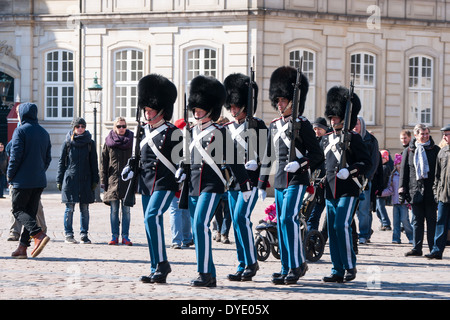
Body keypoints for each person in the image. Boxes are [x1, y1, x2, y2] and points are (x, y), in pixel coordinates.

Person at [177, 75, 252, 287]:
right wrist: (181, 171)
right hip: (193, 185)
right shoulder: (191, 131)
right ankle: (209, 273)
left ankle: (204, 273)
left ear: (210, 109)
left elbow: (235, 160)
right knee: (196, 227)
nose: (196, 113)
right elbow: (186, 157)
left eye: (200, 110)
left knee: (201, 224)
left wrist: (245, 184)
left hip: (212, 184)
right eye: (195, 110)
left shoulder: (219, 132)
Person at [258, 66, 324, 285]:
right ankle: (287, 266)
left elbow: (317, 154)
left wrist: (300, 164)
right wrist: (261, 182)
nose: (279, 104)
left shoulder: (303, 124)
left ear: (293, 101)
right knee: (282, 223)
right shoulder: (274, 125)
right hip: (279, 180)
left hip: (297, 179)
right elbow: (268, 154)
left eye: (283, 100)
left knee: (289, 219)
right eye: (277, 101)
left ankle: (296, 264)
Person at [122, 74, 180, 284]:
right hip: (146, 182)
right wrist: (130, 167)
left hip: (164, 182)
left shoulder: (173, 132)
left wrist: (182, 171)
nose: (146, 113)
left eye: (150, 110)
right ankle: (155, 265)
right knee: (150, 224)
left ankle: (163, 264)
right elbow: (139, 156)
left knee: (151, 217)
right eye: (145, 109)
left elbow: (183, 157)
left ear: (161, 110)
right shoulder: (142, 130)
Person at [320, 86, 371, 283]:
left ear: (343, 118)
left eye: (336, 118)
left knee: (341, 225)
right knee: (332, 230)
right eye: (331, 118)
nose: (333, 121)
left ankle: (350, 265)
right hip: (330, 189)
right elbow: (321, 163)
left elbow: (366, 163)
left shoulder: (354, 138)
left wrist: (349, 171)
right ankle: (337, 269)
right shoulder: (325, 140)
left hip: (348, 189)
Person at [222, 73, 267, 282]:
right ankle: (242, 263)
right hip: (233, 181)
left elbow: (269, 155)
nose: (232, 110)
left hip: (250, 182)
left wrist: (259, 177)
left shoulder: (258, 125)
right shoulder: (227, 128)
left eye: (235, 106)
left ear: (245, 105)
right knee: (236, 222)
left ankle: (251, 262)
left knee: (241, 217)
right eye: (230, 106)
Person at [9, 102, 52, 259]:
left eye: (19, 113)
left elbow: (15, 157)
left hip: (22, 180)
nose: (18, 116)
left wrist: (10, 175)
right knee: (30, 213)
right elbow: (48, 158)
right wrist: (40, 171)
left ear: (24, 114)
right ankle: (22, 248)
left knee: (18, 210)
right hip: (39, 180)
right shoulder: (44, 133)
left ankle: (38, 235)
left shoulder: (20, 131)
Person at [399, 123, 440, 257]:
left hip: (430, 191)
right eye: (422, 134)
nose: (425, 136)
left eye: (427, 133)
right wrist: (402, 191)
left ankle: (433, 248)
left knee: (431, 220)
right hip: (415, 191)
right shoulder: (409, 151)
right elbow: (404, 173)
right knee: (416, 221)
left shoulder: (435, 149)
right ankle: (417, 248)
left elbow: (438, 173)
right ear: (416, 136)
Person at [57, 117, 99, 244]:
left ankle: (84, 234)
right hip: (71, 179)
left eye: (82, 126)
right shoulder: (67, 143)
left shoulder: (90, 143)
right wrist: (59, 179)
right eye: (78, 126)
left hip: (86, 179)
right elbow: (61, 162)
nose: (80, 129)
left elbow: (94, 163)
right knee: (69, 208)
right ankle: (68, 234)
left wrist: (95, 180)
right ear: (73, 128)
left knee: (84, 209)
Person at [101, 117, 134, 245]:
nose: (122, 129)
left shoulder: (131, 140)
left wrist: (135, 180)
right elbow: (103, 162)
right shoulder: (109, 142)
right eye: (119, 126)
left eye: (124, 126)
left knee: (126, 210)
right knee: (114, 210)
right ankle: (114, 236)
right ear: (115, 127)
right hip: (113, 180)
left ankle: (125, 236)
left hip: (127, 181)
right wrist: (103, 181)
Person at [354, 116, 380, 244]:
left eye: (357, 124)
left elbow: (374, 162)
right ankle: (359, 232)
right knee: (354, 209)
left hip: (364, 180)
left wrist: (367, 178)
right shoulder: (350, 138)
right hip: (351, 179)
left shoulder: (371, 140)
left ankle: (364, 234)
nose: (355, 126)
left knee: (364, 209)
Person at [168, 119, 193, 250]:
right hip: (177, 179)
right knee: (180, 210)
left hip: (184, 180)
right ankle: (182, 238)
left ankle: (182, 238)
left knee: (181, 210)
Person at [426, 124, 450, 259]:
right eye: (444, 134)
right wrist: (436, 192)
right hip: (443, 195)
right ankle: (436, 250)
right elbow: (437, 175)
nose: (444, 137)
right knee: (440, 223)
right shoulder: (442, 152)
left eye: (447, 134)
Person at [308, 117, 329, 233]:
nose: (317, 131)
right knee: (312, 215)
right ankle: (310, 238)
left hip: (326, 182)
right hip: (314, 183)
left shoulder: (328, 141)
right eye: (315, 128)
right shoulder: (312, 141)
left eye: (320, 128)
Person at [390, 153, 413, 244]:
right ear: (395, 165)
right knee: (395, 222)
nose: (399, 166)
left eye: (401, 164)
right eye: (398, 164)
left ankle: (411, 236)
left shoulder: (407, 175)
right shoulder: (392, 176)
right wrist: (381, 193)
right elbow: (390, 189)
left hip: (404, 202)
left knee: (405, 220)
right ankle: (396, 238)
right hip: (395, 202)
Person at [375, 149, 393, 231]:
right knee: (378, 208)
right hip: (379, 191)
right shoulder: (382, 167)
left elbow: (383, 181)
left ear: (386, 159)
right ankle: (383, 222)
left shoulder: (385, 167)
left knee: (381, 208)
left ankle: (386, 223)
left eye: (382, 158)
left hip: (381, 191)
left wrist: (379, 189)